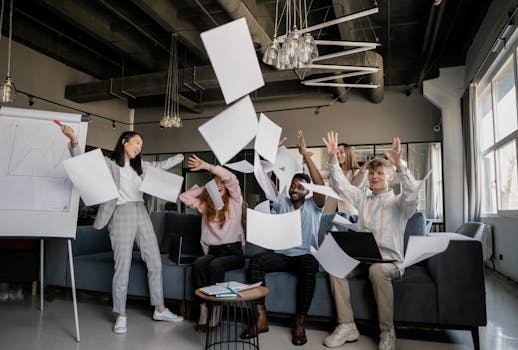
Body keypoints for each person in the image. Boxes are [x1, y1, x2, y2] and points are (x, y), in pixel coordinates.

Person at [60, 126, 184, 334]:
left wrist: (177, 158)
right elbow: (84, 165)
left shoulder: (141, 166)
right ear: (124, 142)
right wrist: (73, 139)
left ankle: (160, 308)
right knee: (122, 264)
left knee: (154, 260)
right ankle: (121, 314)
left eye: (141, 145)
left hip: (141, 212)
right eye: (137, 143)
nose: (139, 147)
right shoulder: (108, 164)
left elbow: (160, 166)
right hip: (120, 213)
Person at [322, 131, 419, 350]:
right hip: (364, 260)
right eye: (373, 173)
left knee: (376, 270)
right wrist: (332, 159)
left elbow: (413, 195)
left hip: (391, 264)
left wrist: (401, 167)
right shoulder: (363, 198)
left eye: (380, 173)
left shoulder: (399, 203)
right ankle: (347, 325)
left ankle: (387, 332)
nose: (375, 176)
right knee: (335, 267)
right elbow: (342, 186)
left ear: (390, 177)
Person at [242, 130, 326, 346]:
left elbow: (320, 187)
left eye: (301, 187)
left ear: (308, 191)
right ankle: (261, 317)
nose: (295, 189)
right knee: (256, 262)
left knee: (310, 263)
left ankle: (300, 322)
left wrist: (305, 155)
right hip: (283, 256)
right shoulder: (282, 201)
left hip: (304, 256)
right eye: (293, 185)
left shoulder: (314, 206)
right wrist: (269, 154)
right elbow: (265, 178)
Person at [179, 155, 245, 332]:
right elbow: (184, 197)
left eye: (221, 182)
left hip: (233, 252)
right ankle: (203, 308)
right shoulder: (205, 207)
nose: (220, 185)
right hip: (213, 252)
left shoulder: (235, 202)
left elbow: (232, 179)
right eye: (215, 183)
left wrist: (208, 167)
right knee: (199, 263)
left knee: (215, 265)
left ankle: (217, 309)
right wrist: (206, 188)